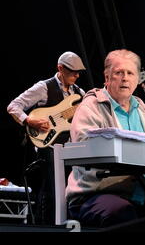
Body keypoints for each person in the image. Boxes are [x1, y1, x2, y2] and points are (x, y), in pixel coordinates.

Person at [66, 49, 145, 228]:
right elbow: (85, 149)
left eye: (130, 73)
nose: (125, 78)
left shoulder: (142, 110)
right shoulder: (91, 106)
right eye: (119, 73)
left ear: (137, 80)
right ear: (107, 77)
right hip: (97, 193)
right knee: (122, 213)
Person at [7, 51, 86, 225]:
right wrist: (29, 120)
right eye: (73, 71)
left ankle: (68, 223)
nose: (77, 75)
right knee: (52, 191)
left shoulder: (79, 93)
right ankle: (47, 226)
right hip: (48, 146)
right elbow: (14, 106)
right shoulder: (44, 87)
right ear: (60, 68)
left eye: (78, 72)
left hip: (70, 149)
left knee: (71, 191)